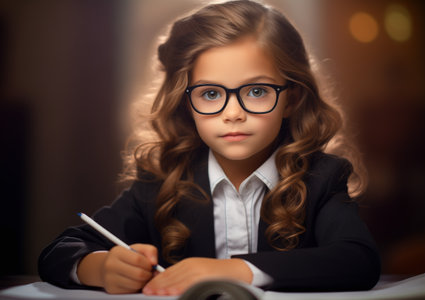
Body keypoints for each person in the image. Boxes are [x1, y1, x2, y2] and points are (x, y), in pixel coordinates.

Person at [38, 0, 380, 296]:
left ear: (291, 98)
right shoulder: (160, 183)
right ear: (186, 103)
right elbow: (57, 252)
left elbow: (358, 260)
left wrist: (235, 271)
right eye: (211, 94)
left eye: (257, 91)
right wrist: (100, 268)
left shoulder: (322, 177)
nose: (233, 114)